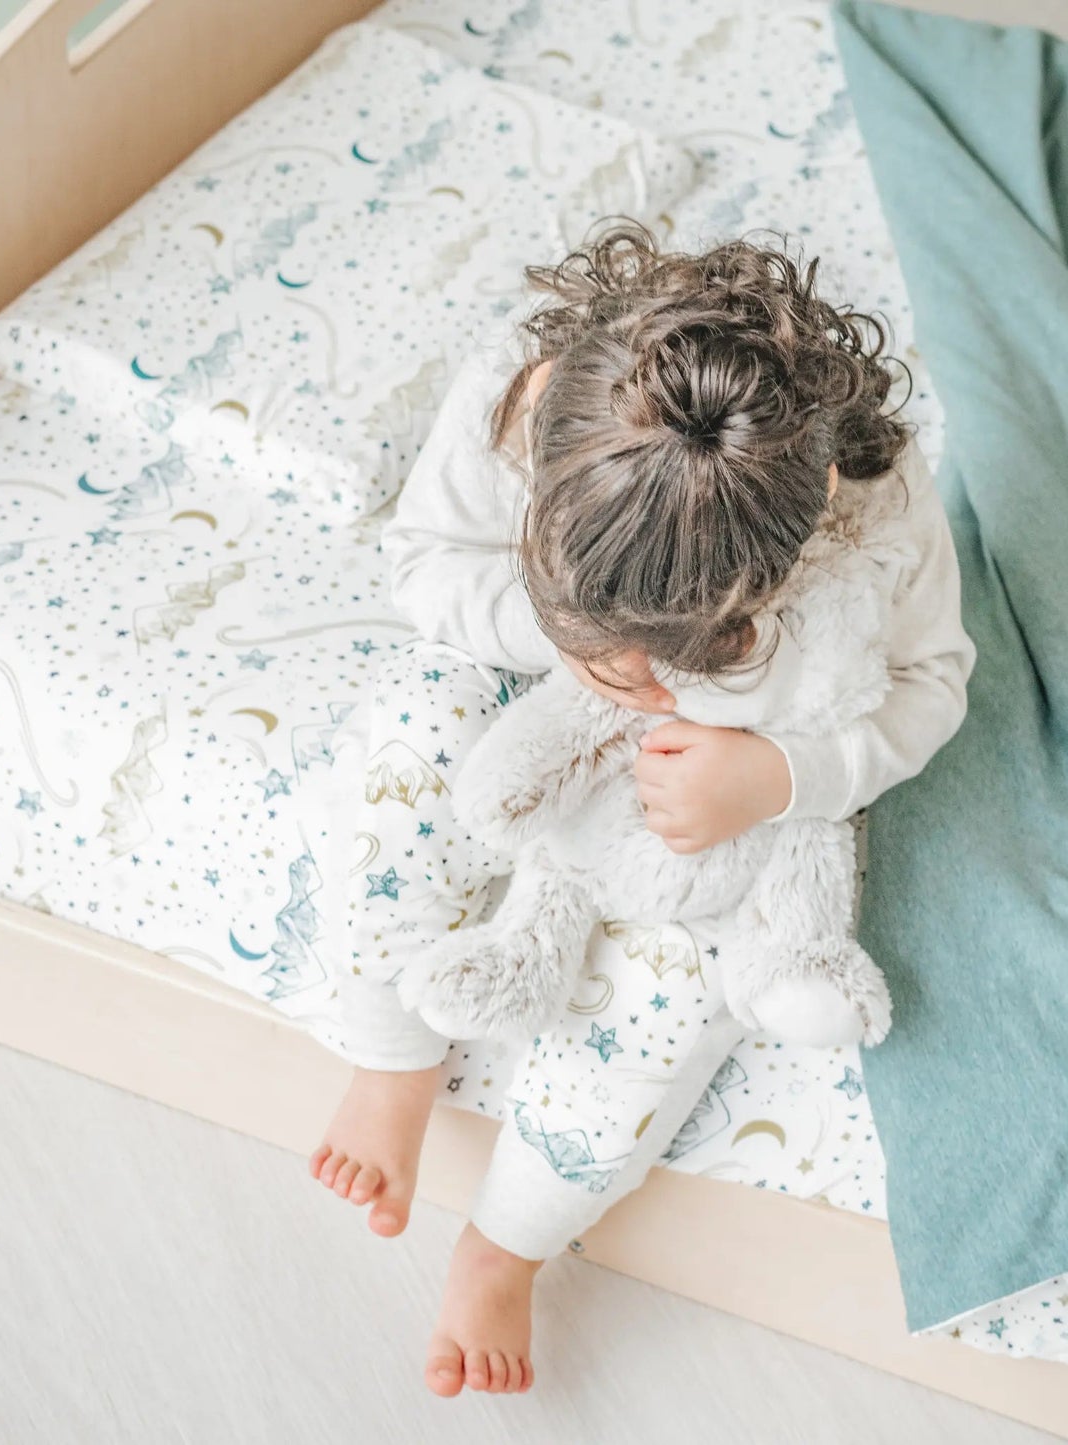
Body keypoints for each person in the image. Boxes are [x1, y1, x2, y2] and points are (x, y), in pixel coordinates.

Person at [308, 223, 974, 1397]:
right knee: (407, 752)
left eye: (680, 634)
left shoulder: (869, 504)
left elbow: (927, 680)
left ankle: (508, 1236)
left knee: (678, 987)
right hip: (525, 672)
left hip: (741, 743)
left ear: (805, 509)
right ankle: (390, 1054)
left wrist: (775, 775)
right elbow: (421, 562)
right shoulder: (519, 399)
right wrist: (560, 640)